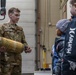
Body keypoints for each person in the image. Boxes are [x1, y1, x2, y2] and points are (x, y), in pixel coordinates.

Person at [0, 7, 32, 75]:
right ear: (10, 15)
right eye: (16, 15)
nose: (18, 17)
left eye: (19, 15)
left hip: (17, 61)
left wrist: (27, 48)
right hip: (6, 61)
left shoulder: (20, 29)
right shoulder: (3, 27)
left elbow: (23, 42)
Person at [61, 0, 76, 75]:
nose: (70, 10)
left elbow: (70, 48)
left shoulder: (73, 24)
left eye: (70, 7)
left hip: (71, 64)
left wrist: (67, 64)